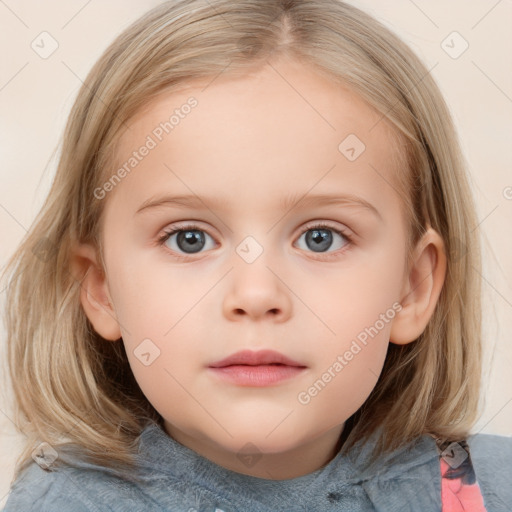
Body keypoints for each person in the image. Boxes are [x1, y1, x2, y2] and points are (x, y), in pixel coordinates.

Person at [2, 0, 511, 510]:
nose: (256, 294)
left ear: (413, 286)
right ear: (101, 288)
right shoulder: (64, 502)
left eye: (321, 237)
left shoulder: (485, 489)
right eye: (189, 239)